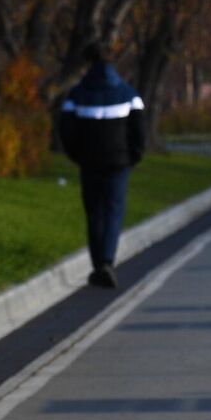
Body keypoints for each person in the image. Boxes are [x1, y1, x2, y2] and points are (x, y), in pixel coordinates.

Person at [58, 43, 146, 289]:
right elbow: (139, 131)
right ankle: (107, 259)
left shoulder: (76, 95)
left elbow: (66, 131)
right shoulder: (128, 94)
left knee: (94, 212)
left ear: (88, 64)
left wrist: (77, 155)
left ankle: (98, 264)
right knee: (113, 211)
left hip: (90, 162)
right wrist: (133, 157)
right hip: (119, 163)